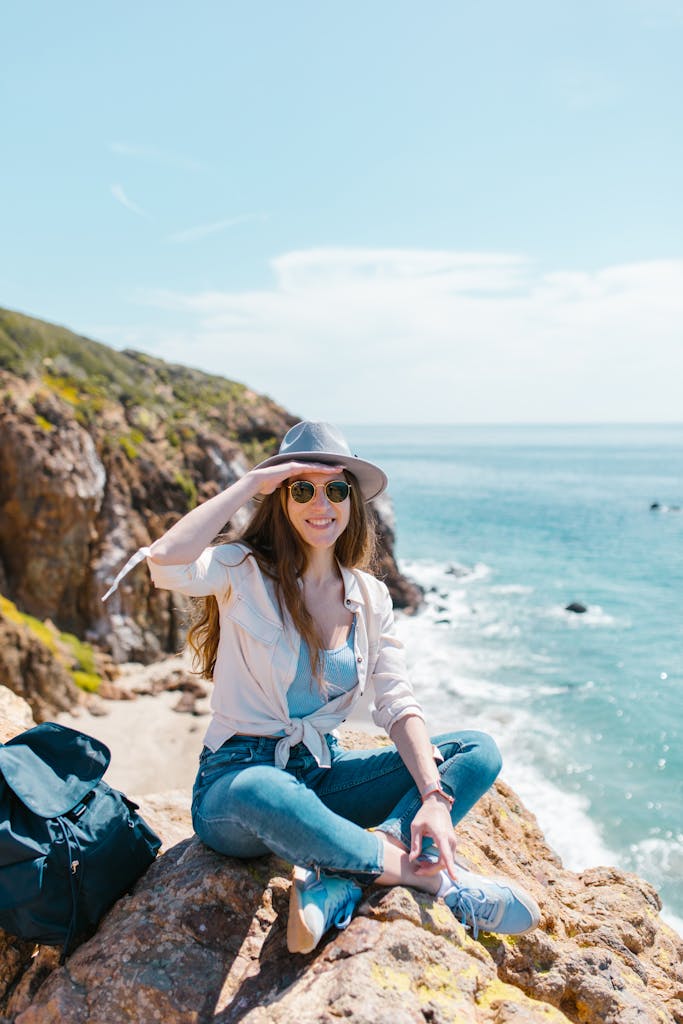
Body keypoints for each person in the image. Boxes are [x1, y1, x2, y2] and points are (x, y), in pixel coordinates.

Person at [105, 421, 540, 953]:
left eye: (336, 489)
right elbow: (166, 561)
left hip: (321, 775)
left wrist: (431, 797)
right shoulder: (241, 569)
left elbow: (397, 701)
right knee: (263, 788)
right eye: (302, 488)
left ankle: (343, 876)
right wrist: (250, 484)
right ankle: (429, 878)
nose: (321, 502)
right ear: (281, 499)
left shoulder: (370, 595)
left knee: (476, 751)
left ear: (352, 502)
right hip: (235, 784)